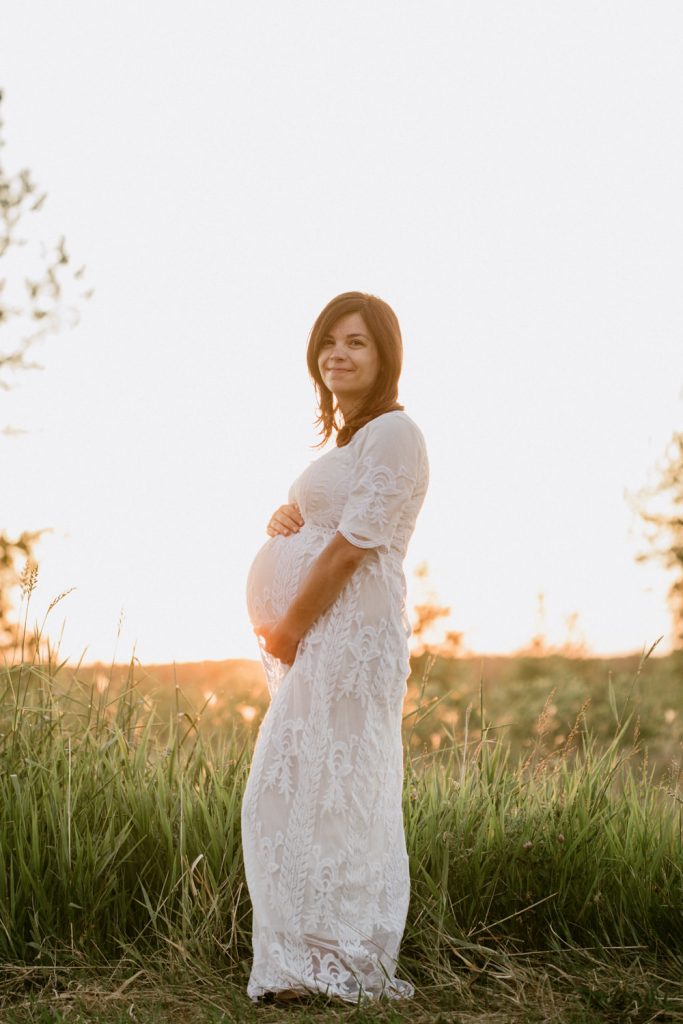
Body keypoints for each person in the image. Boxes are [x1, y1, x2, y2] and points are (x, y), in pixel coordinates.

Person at [241, 290, 429, 1003]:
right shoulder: (352, 441)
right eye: (328, 342)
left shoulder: (394, 432)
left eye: (355, 343)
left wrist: (288, 625)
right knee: (306, 794)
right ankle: (304, 967)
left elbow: (353, 545)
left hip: (349, 633)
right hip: (330, 631)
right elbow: (327, 521)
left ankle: (337, 965)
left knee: (323, 793)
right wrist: (287, 515)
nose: (337, 355)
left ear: (383, 357)